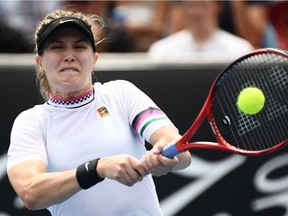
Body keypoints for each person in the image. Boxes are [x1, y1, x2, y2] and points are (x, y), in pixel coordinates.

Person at [6, 9, 192, 216]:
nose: (69, 56)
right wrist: (97, 168)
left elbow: (180, 149)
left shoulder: (121, 93)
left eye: (79, 47)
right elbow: (31, 192)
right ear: (40, 62)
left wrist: (167, 156)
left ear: (94, 58)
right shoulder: (31, 122)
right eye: (58, 48)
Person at [148, 1, 254, 58]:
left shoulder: (241, 49)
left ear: (218, 6)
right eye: (191, 5)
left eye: (203, 5)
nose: (197, 11)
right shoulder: (161, 50)